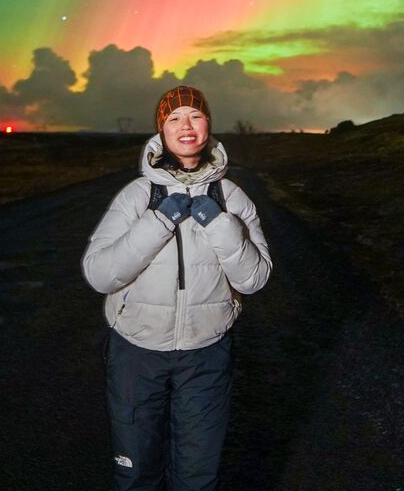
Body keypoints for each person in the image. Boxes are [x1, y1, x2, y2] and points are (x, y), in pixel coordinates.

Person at [82, 85, 273, 490]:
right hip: (136, 352)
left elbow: (254, 279)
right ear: (162, 130)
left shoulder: (231, 197)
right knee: (136, 474)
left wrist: (219, 224)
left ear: (208, 125)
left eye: (195, 115)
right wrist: (158, 221)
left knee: (197, 476)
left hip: (206, 354)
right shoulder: (137, 197)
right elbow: (99, 274)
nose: (186, 125)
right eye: (174, 117)